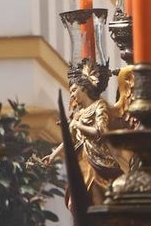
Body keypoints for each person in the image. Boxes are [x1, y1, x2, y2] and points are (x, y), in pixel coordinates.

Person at [41, 66, 123, 208]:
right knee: (74, 203)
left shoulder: (99, 105)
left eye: (74, 90)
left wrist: (77, 125)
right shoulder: (78, 114)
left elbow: (100, 131)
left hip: (96, 161)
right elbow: (71, 139)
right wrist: (52, 156)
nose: (71, 95)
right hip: (80, 161)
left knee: (95, 199)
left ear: (84, 87)